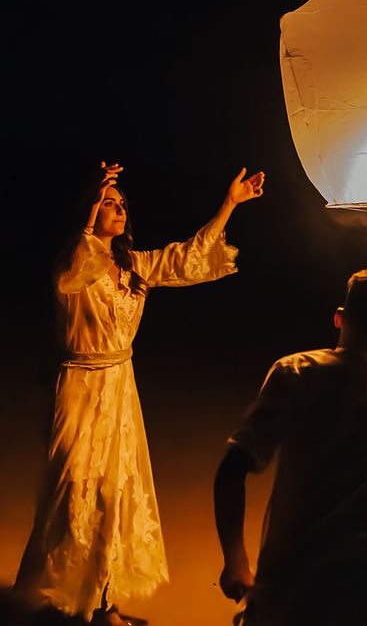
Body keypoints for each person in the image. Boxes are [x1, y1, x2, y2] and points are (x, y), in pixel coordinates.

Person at [13, 161, 266, 626]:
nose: (118, 209)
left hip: (119, 385)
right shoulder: (75, 261)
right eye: (109, 203)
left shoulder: (133, 266)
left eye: (121, 204)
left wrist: (230, 203)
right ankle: (74, 597)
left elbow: (188, 256)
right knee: (75, 491)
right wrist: (92, 206)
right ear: (89, 211)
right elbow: (74, 270)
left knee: (117, 492)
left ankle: (105, 601)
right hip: (81, 386)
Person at [214, 266, 367, 626]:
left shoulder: (294, 373)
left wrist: (235, 561)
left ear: (339, 318)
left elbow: (232, 468)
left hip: (295, 574)